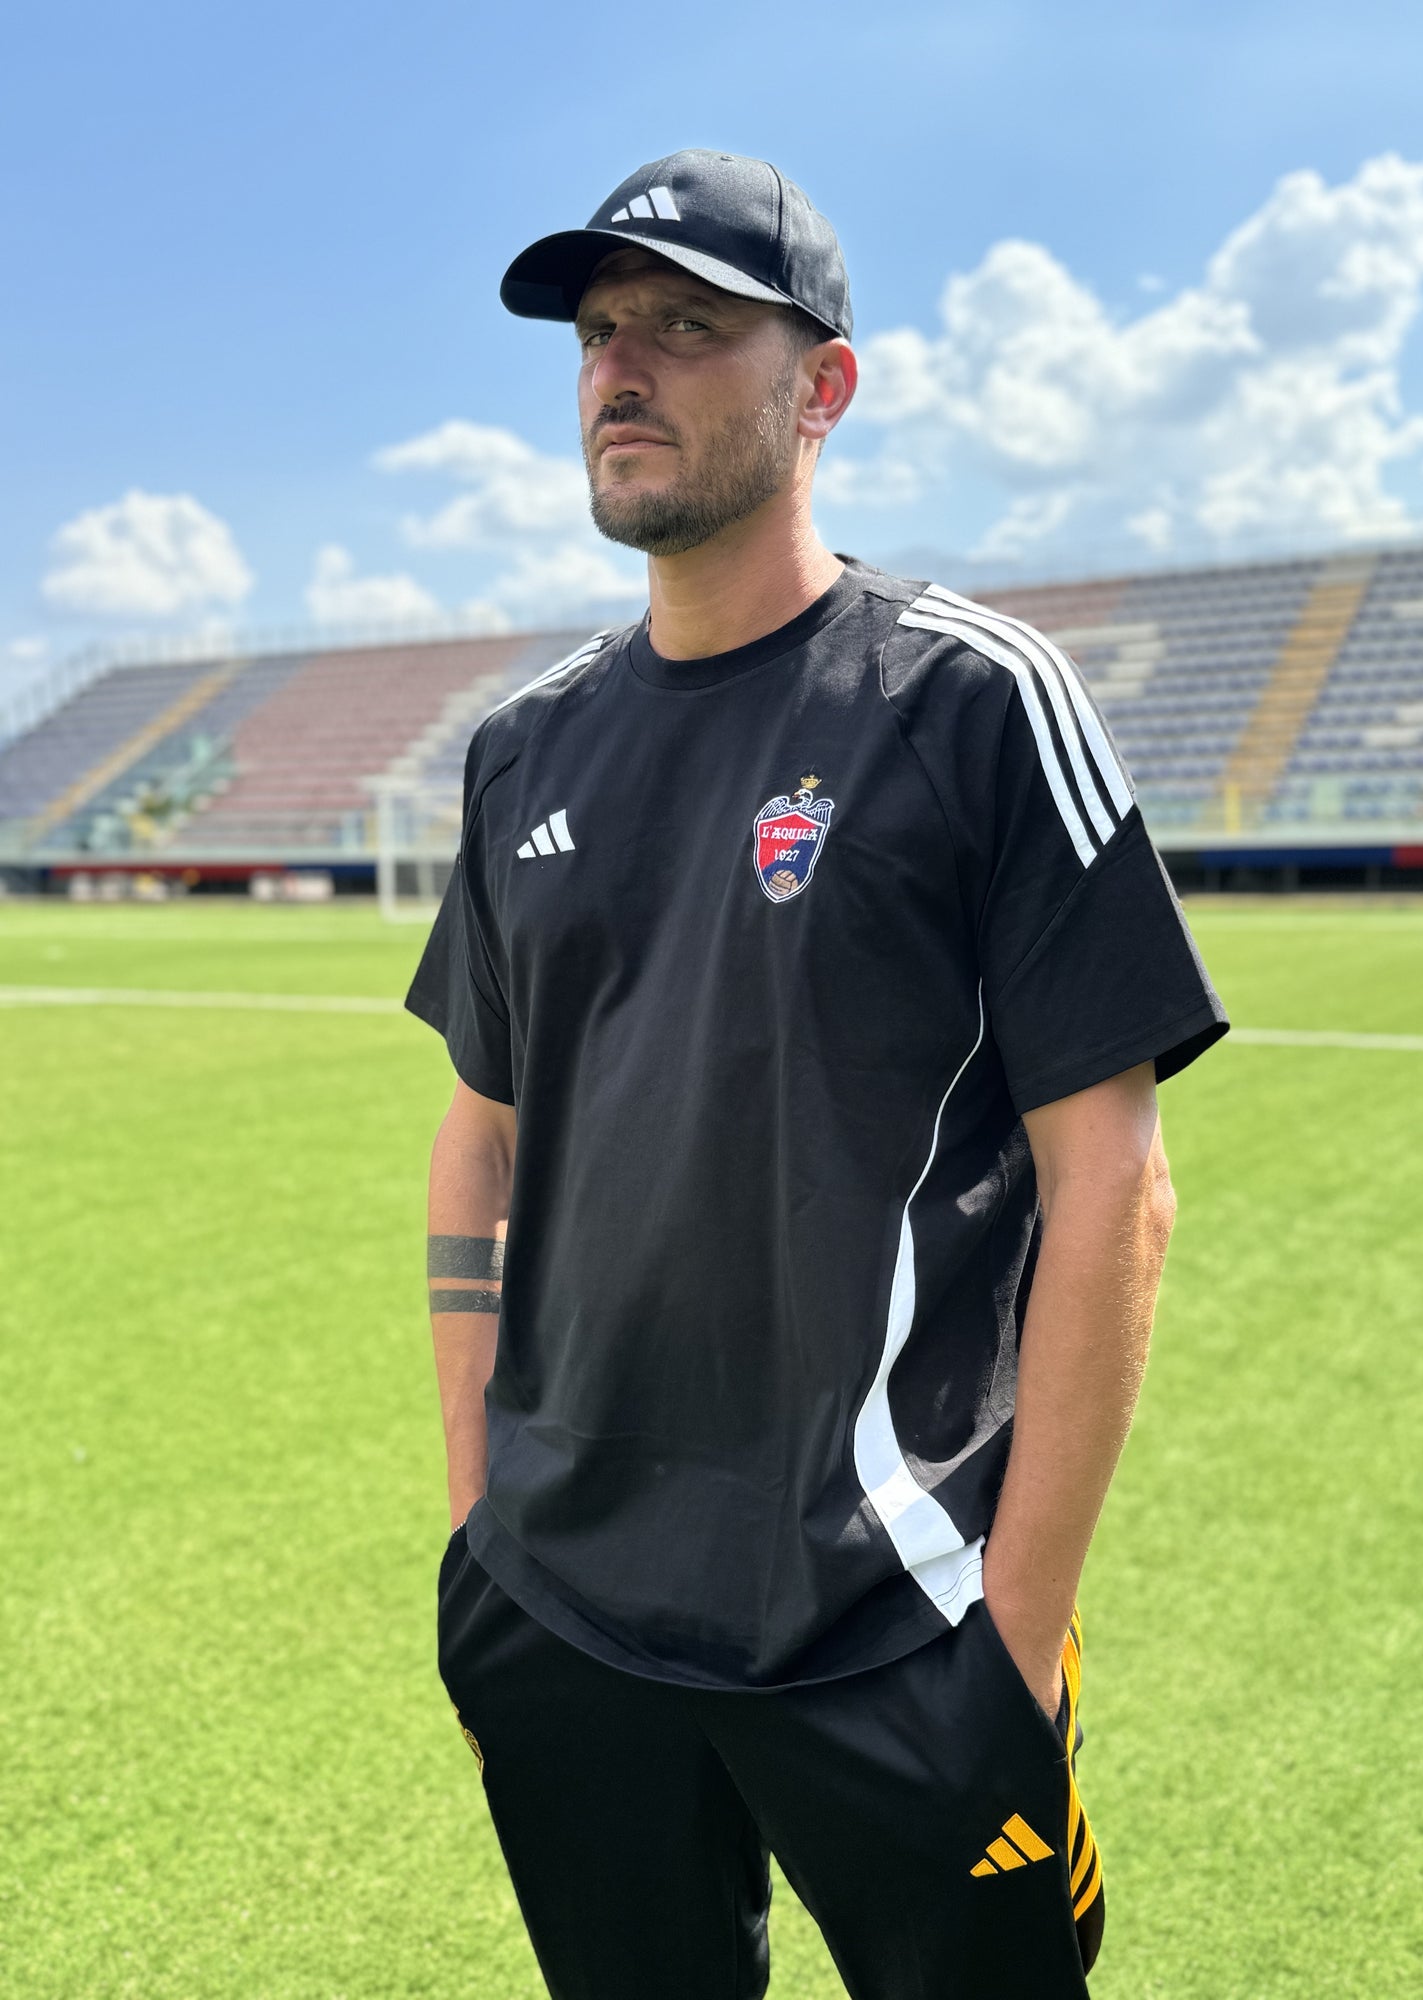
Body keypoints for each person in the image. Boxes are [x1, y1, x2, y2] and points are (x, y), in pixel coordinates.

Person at [406, 147, 1229, 2000]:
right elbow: (480, 1144)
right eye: (598, 333)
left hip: (893, 1621)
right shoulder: (522, 749)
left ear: (824, 386)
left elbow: (1116, 1181)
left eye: (688, 327)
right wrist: (478, 1528)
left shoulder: (970, 699)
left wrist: (1016, 1630)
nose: (622, 369)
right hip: (562, 1609)